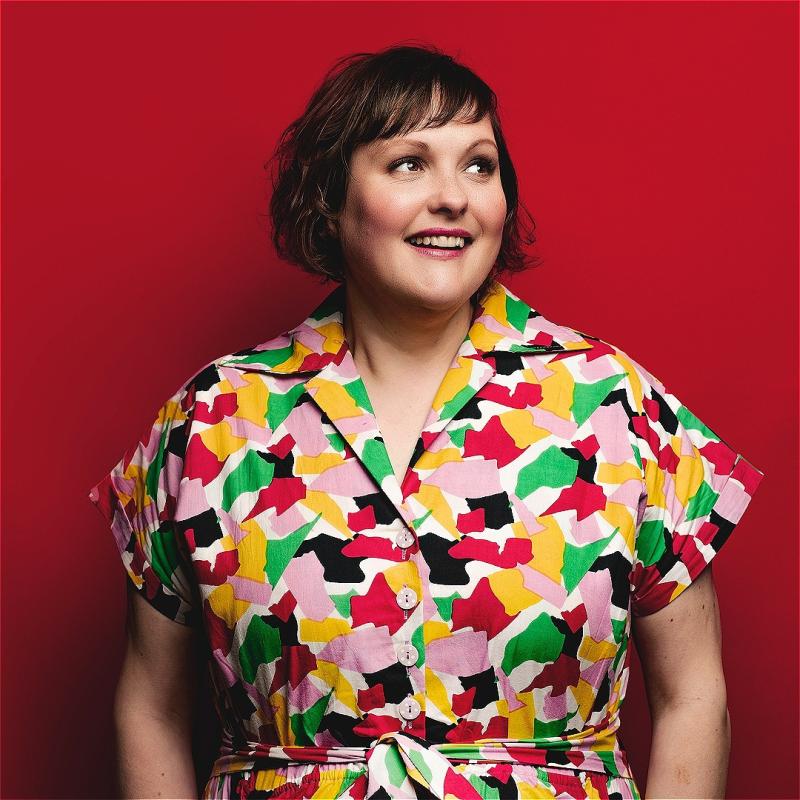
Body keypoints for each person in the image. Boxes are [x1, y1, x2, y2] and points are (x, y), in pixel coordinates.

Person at [88, 44, 765, 800]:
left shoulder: (615, 405)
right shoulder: (210, 421)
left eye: (479, 165)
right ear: (330, 199)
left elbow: (695, 697)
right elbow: (149, 705)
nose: (454, 197)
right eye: (409, 163)